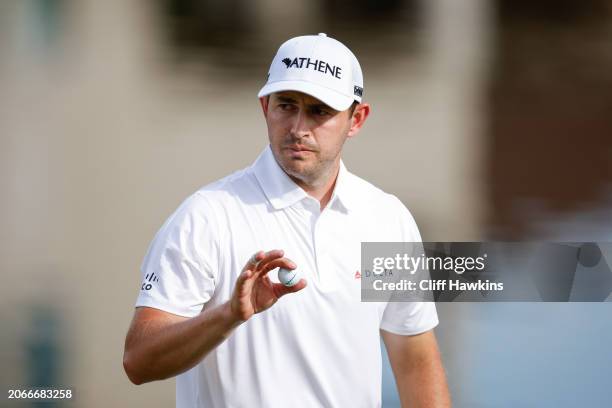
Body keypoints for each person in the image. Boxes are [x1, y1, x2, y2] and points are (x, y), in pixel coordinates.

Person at [123, 33, 450, 408]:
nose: (298, 128)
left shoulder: (387, 219)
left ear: (356, 119)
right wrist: (229, 315)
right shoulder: (206, 215)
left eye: (319, 111)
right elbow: (138, 360)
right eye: (286, 105)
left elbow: (414, 359)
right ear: (265, 107)